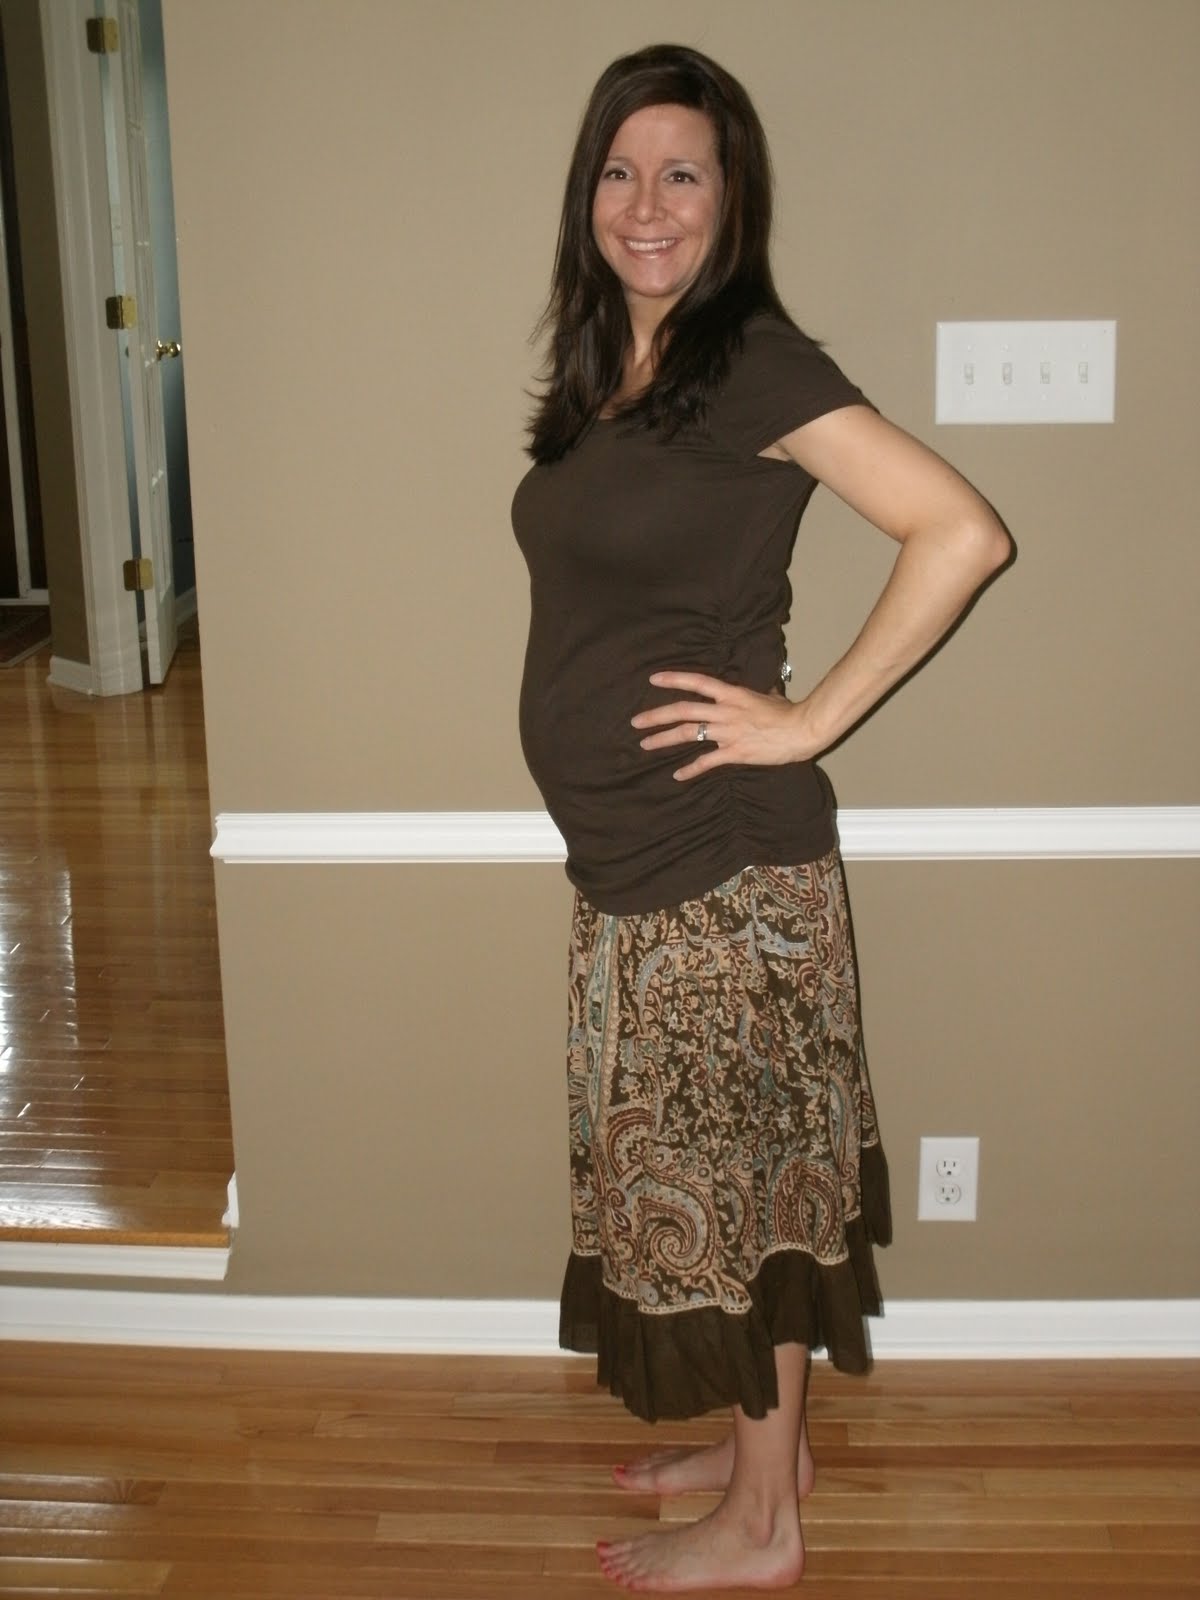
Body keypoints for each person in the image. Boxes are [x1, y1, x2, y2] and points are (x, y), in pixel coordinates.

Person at [511, 43, 1010, 1593]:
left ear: (733, 201)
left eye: (684, 173)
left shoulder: (754, 364)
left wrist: (807, 719)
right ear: (586, 193)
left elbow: (960, 531)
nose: (646, 203)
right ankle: (761, 1456)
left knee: (744, 1197)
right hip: (638, 864)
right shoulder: (613, 375)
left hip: (721, 866)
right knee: (742, 1181)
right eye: (619, 170)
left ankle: (762, 1525)